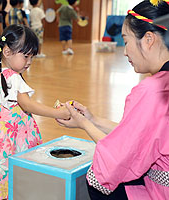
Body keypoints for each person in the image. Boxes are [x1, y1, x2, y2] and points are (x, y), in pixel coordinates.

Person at [56, 0, 169, 199]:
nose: (125, 51)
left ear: (149, 39)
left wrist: (83, 124)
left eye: (126, 41)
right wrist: (92, 119)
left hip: (160, 192)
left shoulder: (153, 91)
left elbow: (121, 155)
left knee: (97, 184)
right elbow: (139, 136)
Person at [0, 24, 70, 200]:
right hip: (11, 136)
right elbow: (27, 105)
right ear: (7, 52)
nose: (29, 62)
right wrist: (58, 113)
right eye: (26, 56)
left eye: (32, 57)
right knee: (19, 171)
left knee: (5, 171)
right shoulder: (13, 78)